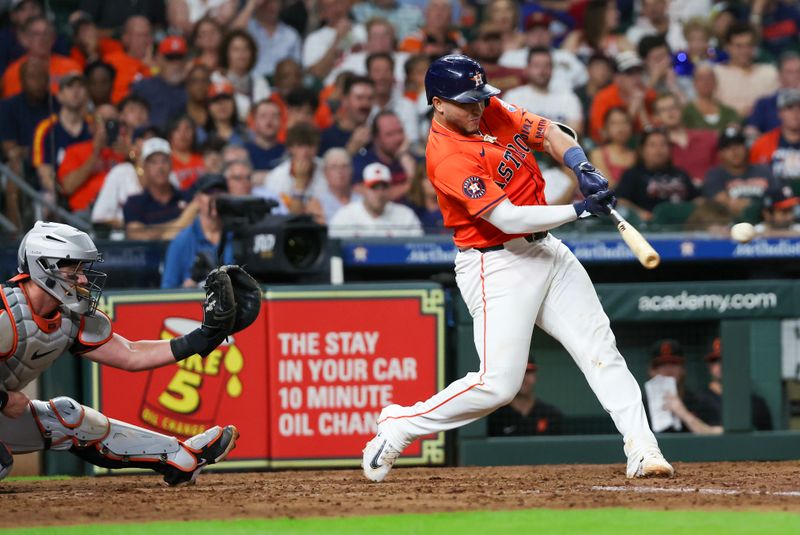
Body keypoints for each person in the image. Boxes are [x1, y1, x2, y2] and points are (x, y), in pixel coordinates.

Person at [362, 54, 673, 483]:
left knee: (600, 348)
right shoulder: (446, 155)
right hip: (496, 263)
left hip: (546, 250)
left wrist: (581, 164)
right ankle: (401, 425)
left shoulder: (490, 110)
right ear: (438, 103)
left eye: (479, 97)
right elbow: (506, 218)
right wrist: (580, 210)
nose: (477, 108)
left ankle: (643, 448)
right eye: (465, 101)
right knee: (498, 386)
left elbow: (551, 133)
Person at [0, 220, 252, 485]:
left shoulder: (68, 318)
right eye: (74, 269)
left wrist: (201, 338)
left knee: (69, 417)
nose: (84, 278)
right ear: (45, 266)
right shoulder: (5, 311)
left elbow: (131, 354)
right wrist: (4, 401)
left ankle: (181, 458)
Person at [664, 338, 773, 433]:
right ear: (709, 366)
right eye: (714, 361)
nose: (720, 365)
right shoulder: (695, 400)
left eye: (725, 359)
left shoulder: (755, 403)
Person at [161, 173, 234, 289]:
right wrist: (186, 289)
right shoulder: (181, 241)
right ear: (197, 199)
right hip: (195, 305)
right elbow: (167, 291)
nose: (215, 198)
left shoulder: (237, 235)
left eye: (220, 192)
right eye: (209, 193)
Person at [57, 103, 129, 214]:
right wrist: (95, 155)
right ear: (92, 126)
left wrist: (129, 156)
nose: (108, 125)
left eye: (112, 121)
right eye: (102, 120)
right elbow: (67, 187)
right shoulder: (74, 150)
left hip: (120, 212)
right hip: (85, 213)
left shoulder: (126, 150)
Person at [615, 128, 700, 222]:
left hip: (684, 227)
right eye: (653, 145)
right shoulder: (633, 174)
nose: (658, 150)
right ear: (642, 150)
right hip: (650, 229)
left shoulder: (681, 173)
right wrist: (639, 213)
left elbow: (697, 199)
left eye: (663, 144)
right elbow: (620, 201)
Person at [503, 47, 583, 138]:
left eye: (547, 66)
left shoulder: (569, 98)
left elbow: (574, 134)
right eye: (537, 66)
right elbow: (507, 131)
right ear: (527, 69)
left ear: (552, 69)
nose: (542, 71)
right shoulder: (513, 97)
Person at [123, 137, 193, 240]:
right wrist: (182, 222)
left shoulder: (187, 197)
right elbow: (137, 235)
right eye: (153, 162)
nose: (160, 167)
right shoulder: (134, 203)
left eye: (164, 161)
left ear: (171, 165)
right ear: (144, 166)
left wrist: (153, 230)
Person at [329, 162, 422, 238]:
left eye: (384, 187)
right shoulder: (345, 216)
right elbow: (333, 251)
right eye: (374, 187)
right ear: (363, 189)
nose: (380, 193)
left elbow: (417, 250)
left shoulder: (406, 216)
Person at [703, 127, 779, 218]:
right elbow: (721, 201)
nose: (734, 152)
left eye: (738, 145)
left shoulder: (763, 170)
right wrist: (756, 204)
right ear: (720, 153)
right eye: (728, 148)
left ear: (746, 148)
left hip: (766, 223)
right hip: (732, 223)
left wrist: (750, 204)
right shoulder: (715, 174)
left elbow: (778, 196)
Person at [713, 22, 779, 118]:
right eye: (739, 46)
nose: (745, 51)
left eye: (749, 45)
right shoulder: (716, 73)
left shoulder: (769, 72)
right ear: (727, 47)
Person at [589, 51, 657, 143]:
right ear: (617, 78)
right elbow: (603, 137)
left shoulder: (649, 95)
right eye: (630, 73)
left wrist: (641, 110)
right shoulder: (603, 98)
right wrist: (632, 112)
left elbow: (654, 136)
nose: (636, 78)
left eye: (638, 72)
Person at [653, 93, 718, 186]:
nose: (670, 112)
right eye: (663, 110)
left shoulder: (707, 137)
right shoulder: (657, 147)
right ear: (657, 116)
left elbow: (721, 168)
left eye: (673, 107)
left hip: (711, 191)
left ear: (681, 109)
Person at [352, 110, 416, 201]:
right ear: (376, 139)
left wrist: (405, 158)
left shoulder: (415, 159)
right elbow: (376, 198)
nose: (398, 138)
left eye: (400, 131)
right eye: (390, 134)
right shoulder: (361, 163)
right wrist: (412, 183)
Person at [488, 361, 563, 437]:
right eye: (517, 372)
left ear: (535, 376)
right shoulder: (496, 417)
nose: (522, 378)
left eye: (527, 372)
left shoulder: (551, 414)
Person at [232, 0, 302, 79]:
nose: (272, 7)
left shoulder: (291, 35)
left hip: (281, 86)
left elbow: (296, 67)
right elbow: (232, 37)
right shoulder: (247, 27)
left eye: (276, 2)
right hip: (251, 83)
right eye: (266, 3)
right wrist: (251, 5)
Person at [642, 338, 700, 433]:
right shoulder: (640, 405)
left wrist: (683, 413)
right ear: (651, 371)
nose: (668, 370)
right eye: (661, 365)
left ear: (683, 369)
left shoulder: (697, 401)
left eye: (674, 364)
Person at [131, 35, 189, 128]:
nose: (176, 64)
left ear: (186, 60)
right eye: (170, 58)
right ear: (158, 59)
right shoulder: (143, 87)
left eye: (179, 58)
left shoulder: (193, 88)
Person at [212, 29, 270, 122]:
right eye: (236, 50)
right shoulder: (216, 80)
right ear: (226, 54)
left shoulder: (260, 82)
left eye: (245, 49)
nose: (241, 54)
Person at [750, 88, 800, 193]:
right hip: (775, 200)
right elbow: (754, 177)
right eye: (789, 108)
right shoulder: (762, 144)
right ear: (780, 113)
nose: (796, 113)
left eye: (799, 108)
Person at [318, 75, 375, 156]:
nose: (365, 104)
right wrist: (350, 150)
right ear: (345, 100)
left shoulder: (378, 137)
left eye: (370, 98)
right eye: (359, 98)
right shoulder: (326, 138)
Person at [746, 52, 800, 136]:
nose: (796, 76)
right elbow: (751, 131)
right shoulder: (764, 104)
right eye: (790, 72)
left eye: (798, 71)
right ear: (779, 75)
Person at [680, 63, 740, 133]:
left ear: (716, 82)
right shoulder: (687, 112)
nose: (706, 82)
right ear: (694, 83)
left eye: (710, 78)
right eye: (701, 79)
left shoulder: (729, 112)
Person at [589, 107, 636, 188]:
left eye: (625, 122)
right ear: (606, 129)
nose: (621, 127)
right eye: (614, 123)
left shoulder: (637, 155)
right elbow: (606, 185)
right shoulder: (598, 154)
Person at [317, 147, 360, 223]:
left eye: (345, 166)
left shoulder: (362, 201)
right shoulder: (317, 204)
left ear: (351, 171)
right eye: (334, 167)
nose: (340, 172)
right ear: (325, 172)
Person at [166, 114, 204, 190]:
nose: (183, 134)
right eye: (177, 129)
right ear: (170, 134)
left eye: (188, 128)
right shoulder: (165, 161)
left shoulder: (203, 158)